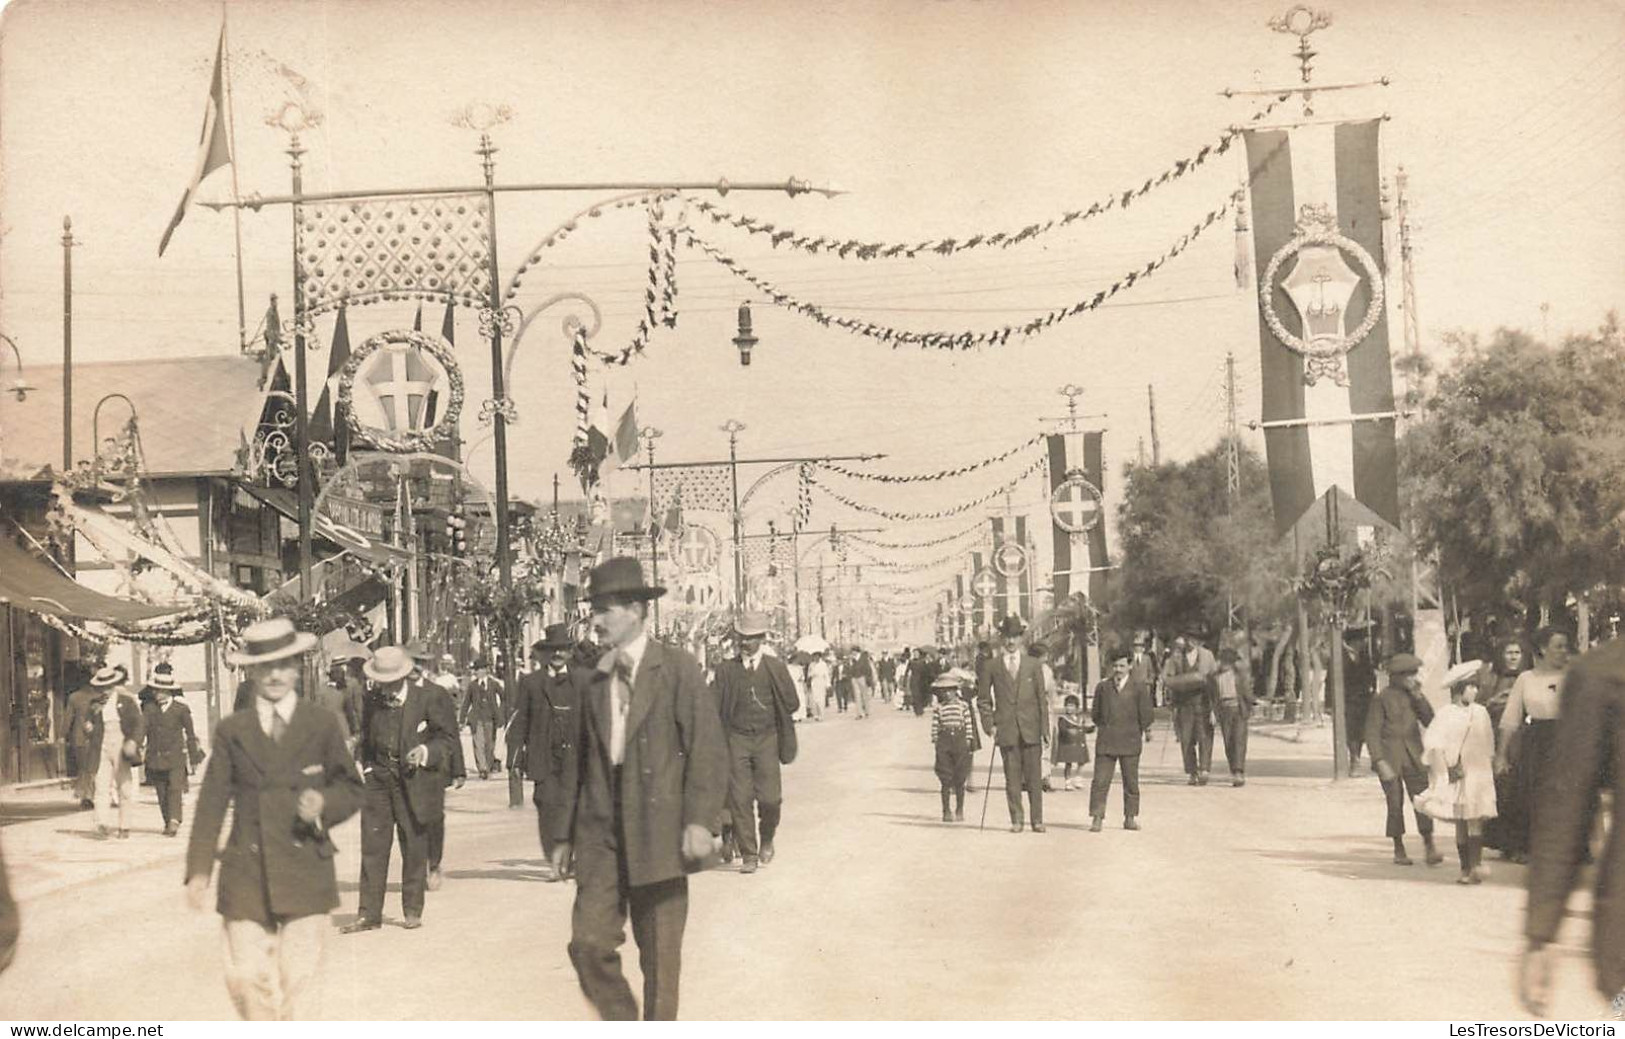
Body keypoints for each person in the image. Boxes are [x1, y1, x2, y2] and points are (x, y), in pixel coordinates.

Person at [549, 557, 729, 1021]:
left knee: (661, 964)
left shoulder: (677, 669)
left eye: (605, 609)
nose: (596, 619)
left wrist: (699, 820)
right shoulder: (594, 680)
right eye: (594, 609)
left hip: (661, 831)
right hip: (602, 835)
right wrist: (563, 835)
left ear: (635, 610)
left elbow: (707, 749)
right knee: (587, 944)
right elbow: (577, 764)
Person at [185, 617, 365, 1020]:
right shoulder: (233, 731)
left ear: (298, 667)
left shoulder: (320, 724)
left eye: (284, 665)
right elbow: (212, 802)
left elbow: (352, 788)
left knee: (300, 984)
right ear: (251, 670)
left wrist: (324, 805)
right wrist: (198, 870)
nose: (275, 675)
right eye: (265, 666)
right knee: (246, 978)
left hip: (305, 870)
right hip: (247, 873)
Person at [1519, 637, 1625, 1017]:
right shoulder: (1603, 675)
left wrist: (1540, 936)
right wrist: (1540, 935)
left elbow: (1565, 808)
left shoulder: (1603, 671)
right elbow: (1566, 805)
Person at [344, 645, 458, 933]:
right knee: (373, 845)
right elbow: (367, 737)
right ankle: (369, 914)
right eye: (382, 682)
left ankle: (412, 909)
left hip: (413, 779)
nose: (385, 689)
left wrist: (424, 751)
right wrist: (366, 765)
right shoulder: (372, 700)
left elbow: (446, 739)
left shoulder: (429, 698)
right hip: (379, 779)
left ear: (403, 677)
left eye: (390, 682)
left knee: (414, 844)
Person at [713, 613, 800, 873]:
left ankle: (768, 837)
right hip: (736, 739)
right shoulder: (726, 670)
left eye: (751, 638)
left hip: (767, 738)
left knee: (770, 799)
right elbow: (711, 705)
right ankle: (749, 853)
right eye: (742, 637)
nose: (745, 643)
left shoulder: (775, 667)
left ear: (761, 639)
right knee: (739, 799)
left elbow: (793, 702)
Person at [1413, 660, 1498, 884]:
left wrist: (1490, 767)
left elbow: (1488, 744)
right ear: (1459, 688)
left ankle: (1476, 866)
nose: (1474, 691)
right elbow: (1433, 743)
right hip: (1457, 772)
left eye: (1476, 686)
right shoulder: (1446, 714)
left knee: (1475, 819)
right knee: (1461, 820)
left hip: (1478, 773)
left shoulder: (1481, 712)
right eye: (1470, 687)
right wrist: (1447, 767)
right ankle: (1465, 868)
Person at [1495, 626, 1572, 865]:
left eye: (1564, 646)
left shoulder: (1573, 675)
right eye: (1557, 646)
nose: (1563, 651)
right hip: (1537, 740)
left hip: (1567, 739)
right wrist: (1501, 755)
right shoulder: (1526, 679)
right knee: (1530, 794)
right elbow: (1510, 718)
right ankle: (1525, 847)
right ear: (1542, 649)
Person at [509, 624, 585, 868]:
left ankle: (569, 856)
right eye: (553, 650)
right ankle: (553, 857)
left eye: (562, 649)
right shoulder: (531, 683)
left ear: (570, 652)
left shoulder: (582, 681)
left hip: (575, 756)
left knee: (573, 805)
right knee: (546, 805)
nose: (558, 654)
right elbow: (520, 720)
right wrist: (515, 757)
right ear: (545, 653)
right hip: (544, 754)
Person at [1365, 652, 1443, 867]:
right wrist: (1379, 761)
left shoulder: (1415, 696)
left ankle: (1429, 845)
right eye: (1408, 675)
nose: (1413, 679)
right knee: (1395, 804)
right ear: (1396, 677)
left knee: (1422, 801)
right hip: (1390, 759)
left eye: (1414, 674)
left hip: (1414, 757)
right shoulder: (1381, 699)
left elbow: (1431, 721)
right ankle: (1398, 847)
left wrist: (1419, 698)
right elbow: (1372, 733)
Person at [977, 616, 1049, 834]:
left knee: (1035, 778)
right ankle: (1016, 819)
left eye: (1015, 637)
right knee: (1012, 778)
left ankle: (1037, 820)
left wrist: (1045, 730)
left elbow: (1041, 699)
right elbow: (983, 700)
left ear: (1021, 638)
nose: (1011, 641)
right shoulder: (992, 666)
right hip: (1006, 729)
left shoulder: (1033, 664)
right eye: (1007, 637)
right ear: (1001, 638)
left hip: (1031, 729)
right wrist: (990, 725)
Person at [405, 643, 466, 893]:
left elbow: (450, 733)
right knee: (409, 820)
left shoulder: (437, 693)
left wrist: (458, 770)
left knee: (433, 818)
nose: (415, 667)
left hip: (433, 769)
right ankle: (416, 868)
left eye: (420, 661)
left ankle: (434, 864)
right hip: (405, 770)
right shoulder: (393, 693)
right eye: (411, 661)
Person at [1088, 650, 1154, 832]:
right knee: (1100, 781)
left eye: (1122, 666)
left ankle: (1130, 817)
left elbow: (1147, 715)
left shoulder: (1139, 688)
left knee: (1131, 782)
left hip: (1130, 741)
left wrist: (1139, 730)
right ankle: (1097, 817)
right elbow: (1096, 715)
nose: (1118, 670)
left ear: (1130, 666)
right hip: (1106, 742)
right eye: (1115, 666)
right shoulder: (1102, 687)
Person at [1478, 636, 1526, 856]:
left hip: (1523, 740)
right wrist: (1492, 703)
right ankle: (1504, 844)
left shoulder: (1528, 678)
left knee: (1520, 792)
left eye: (1517, 652)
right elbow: (1476, 710)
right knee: (1501, 792)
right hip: (1496, 739)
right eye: (1509, 652)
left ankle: (1520, 845)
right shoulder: (1490, 680)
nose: (1513, 657)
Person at [141, 663, 203, 837]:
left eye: (159, 691)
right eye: (154, 690)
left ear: (168, 691)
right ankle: (168, 820)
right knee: (161, 792)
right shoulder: (149, 709)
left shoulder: (181, 709)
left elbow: (190, 734)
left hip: (176, 757)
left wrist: (193, 755)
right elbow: (142, 729)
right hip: (155, 756)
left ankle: (175, 820)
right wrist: (136, 744)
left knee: (175, 789)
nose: (156, 693)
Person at [87, 664, 144, 840]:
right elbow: (89, 724)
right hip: (101, 746)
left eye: (108, 687)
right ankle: (102, 823)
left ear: (114, 685)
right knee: (101, 785)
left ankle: (124, 825)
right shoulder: (94, 705)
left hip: (121, 744)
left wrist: (134, 741)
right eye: (101, 688)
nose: (105, 691)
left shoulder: (126, 701)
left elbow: (139, 723)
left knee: (124, 785)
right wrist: (88, 727)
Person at [1162, 631, 1217, 786]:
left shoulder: (1207, 656)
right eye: (1189, 639)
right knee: (1186, 739)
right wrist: (1172, 705)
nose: (1192, 642)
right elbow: (1167, 678)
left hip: (1203, 702)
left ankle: (1204, 769)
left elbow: (1214, 683)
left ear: (1199, 641)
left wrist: (1214, 708)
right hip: (1184, 704)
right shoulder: (1176, 657)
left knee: (1205, 737)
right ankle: (1192, 772)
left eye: (1195, 639)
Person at [930, 673, 977, 822]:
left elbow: (968, 723)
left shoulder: (963, 706)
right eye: (944, 691)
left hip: (960, 739)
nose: (947, 694)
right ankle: (946, 810)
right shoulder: (939, 708)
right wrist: (936, 740)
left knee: (960, 776)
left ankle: (959, 809)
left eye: (950, 690)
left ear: (955, 690)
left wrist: (969, 738)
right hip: (944, 741)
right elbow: (935, 726)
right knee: (945, 776)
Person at [1212, 648, 1254, 787]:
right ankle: (1233, 769)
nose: (1223, 665)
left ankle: (1239, 771)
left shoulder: (1239, 676)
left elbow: (1247, 692)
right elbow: (1213, 697)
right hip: (1224, 710)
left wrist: (1251, 704)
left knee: (1239, 740)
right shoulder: (1215, 677)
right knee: (1228, 741)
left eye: (1226, 663)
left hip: (1238, 709)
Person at [461, 662, 504, 780]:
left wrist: (500, 713)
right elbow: (466, 703)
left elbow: (504, 698)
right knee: (478, 743)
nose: (477, 672)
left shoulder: (494, 684)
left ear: (486, 670)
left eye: (480, 669)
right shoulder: (472, 685)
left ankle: (489, 765)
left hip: (491, 718)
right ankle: (482, 768)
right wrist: (462, 718)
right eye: (476, 670)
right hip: (476, 718)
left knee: (489, 744)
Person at [65, 676, 101, 808]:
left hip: (79, 737)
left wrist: (62, 735)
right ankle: (89, 794)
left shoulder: (74, 697)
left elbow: (68, 717)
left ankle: (85, 795)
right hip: (96, 737)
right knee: (94, 767)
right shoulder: (100, 696)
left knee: (82, 767)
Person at [1052, 694, 1091, 790]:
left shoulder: (1080, 718)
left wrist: (1090, 728)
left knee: (1081, 762)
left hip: (1079, 744)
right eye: (1068, 706)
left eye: (1072, 706)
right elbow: (1062, 730)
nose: (1069, 708)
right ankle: (1068, 781)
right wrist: (1071, 732)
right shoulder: (1063, 719)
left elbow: (1084, 729)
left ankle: (1078, 778)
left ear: (1076, 707)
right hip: (1068, 744)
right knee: (1068, 763)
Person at [850, 645, 874, 719]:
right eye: (852, 651)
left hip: (863, 677)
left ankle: (867, 711)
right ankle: (859, 713)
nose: (853, 653)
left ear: (857, 651)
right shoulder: (852, 660)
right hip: (855, 678)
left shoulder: (864, 658)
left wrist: (869, 679)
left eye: (854, 651)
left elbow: (868, 669)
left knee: (864, 696)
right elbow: (850, 670)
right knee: (857, 696)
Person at [805, 651, 830, 722]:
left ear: (819, 656)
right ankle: (816, 714)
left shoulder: (823, 664)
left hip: (821, 682)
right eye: (814, 656)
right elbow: (808, 674)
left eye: (817, 656)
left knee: (821, 699)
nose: (815, 658)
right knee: (814, 699)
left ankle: (821, 715)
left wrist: (828, 684)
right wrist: (812, 674)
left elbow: (826, 674)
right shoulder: (811, 664)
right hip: (814, 682)